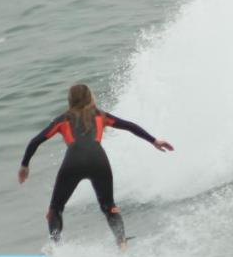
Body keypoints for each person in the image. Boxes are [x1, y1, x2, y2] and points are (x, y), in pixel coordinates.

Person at [18, 84, 173, 248]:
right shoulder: (101, 116)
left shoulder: (62, 120)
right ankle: (122, 245)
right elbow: (129, 126)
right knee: (109, 207)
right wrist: (154, 140)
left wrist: (24, 166)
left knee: (54, 210)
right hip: (98, 161)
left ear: (70, 100)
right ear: (90, 97)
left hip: (73, 162)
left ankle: (57, 250)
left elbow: (35, 141)